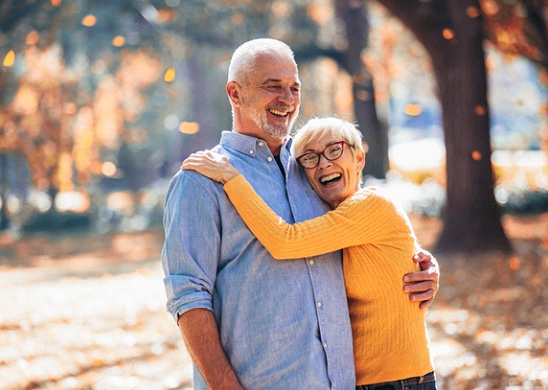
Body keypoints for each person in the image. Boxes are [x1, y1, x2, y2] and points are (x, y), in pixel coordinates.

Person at [162, 38, 439, 390]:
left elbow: (366, 237)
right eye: (272, 87)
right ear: (235, 93)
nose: (288, 99)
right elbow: (188, 297)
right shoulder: (200, 181)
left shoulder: (316, 167)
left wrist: (420, 268)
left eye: (294, 88)